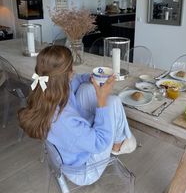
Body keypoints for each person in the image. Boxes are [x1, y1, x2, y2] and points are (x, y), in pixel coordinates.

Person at [18, 45, 136, 185]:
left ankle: (119, 139)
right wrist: (102, 100)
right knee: (113, 102)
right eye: (70, 69)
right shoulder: (63, 120)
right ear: (62, 77)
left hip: (71, 149)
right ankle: (118, 143)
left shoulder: (48, 88)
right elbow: (100, 143)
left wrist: (93, 78)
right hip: (84, 170)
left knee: (86, 88)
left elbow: (77, 79)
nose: (73, 71)